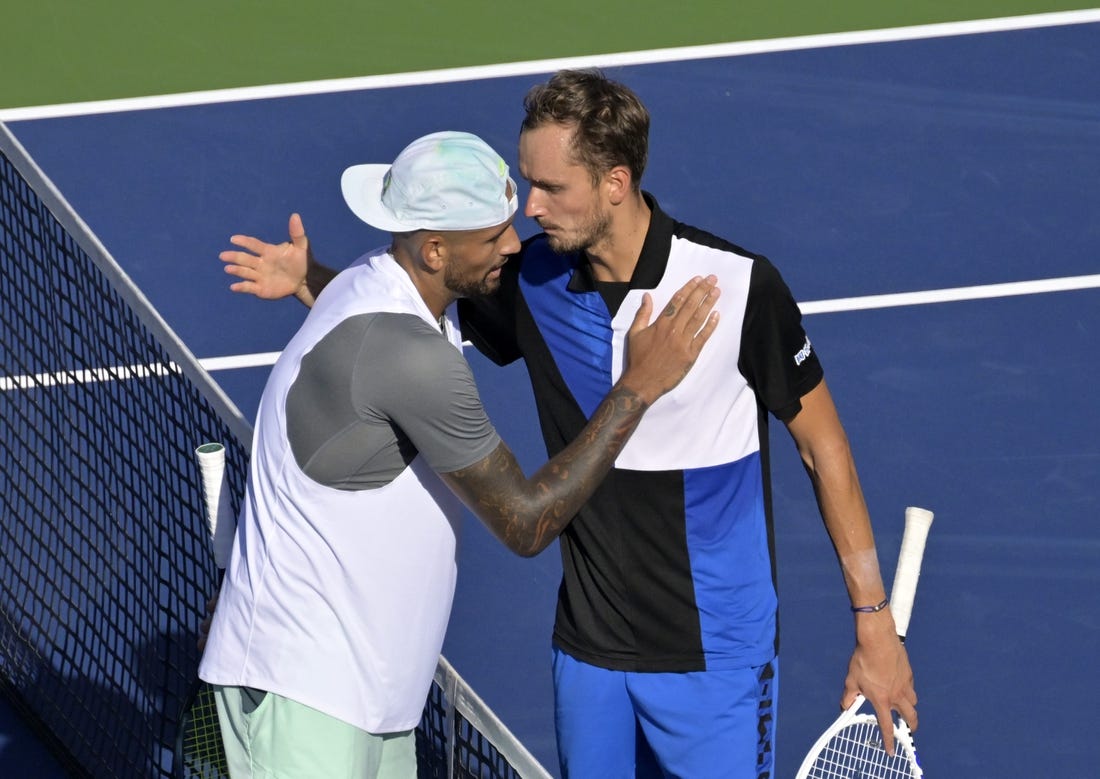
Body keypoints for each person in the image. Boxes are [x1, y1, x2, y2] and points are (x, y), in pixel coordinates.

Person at [223, 71, 918, 779]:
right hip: (587, 656)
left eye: (551, 188)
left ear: (615, 182)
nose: (529, 207)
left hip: (715, 657)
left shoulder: (738, 286)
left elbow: (821, 445)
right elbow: (409, 312)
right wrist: (317, 278)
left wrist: (873, 622)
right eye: (529, 183)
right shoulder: (532, 280)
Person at [199, 129, 721, 779]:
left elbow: (369, 352)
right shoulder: (412, 356)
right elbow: (526, 520)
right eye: (492, 235)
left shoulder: (375, 282)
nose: (512, 244)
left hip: (368, 697)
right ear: (436, 248)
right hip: (305, 697)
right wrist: (639, 387)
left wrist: (310, 278)